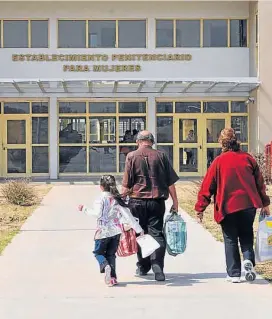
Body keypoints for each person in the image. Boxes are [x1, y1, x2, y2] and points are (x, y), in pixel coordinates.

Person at [195, 128, 270, 283]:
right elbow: (260, 184)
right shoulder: (248, 159)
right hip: (248, 204)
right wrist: (265, 203)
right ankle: (248, 260)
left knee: (230, 239)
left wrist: (200, 208)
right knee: (246, 234)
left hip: (227, 206)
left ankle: (234, 273)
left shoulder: (218, 162)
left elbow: (207, 186)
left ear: (221, 143)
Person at [122, 130, 179, 281]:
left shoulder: (131, 156)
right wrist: (175, 202)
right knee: (157, 233)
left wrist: (120, 203)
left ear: (138, 142)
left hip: (137, 202)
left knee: (140, 233)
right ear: (152, 141)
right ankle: (157, 265)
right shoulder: (161, 156)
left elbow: (126, 184)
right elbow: (170, 182)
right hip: (156, 201)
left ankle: (143, 266)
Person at [78, 175, 143, 287]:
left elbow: (97, 214)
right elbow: (128, 215)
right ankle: (113, 278)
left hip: (103, 232)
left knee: (98, 253)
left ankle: (105, 265)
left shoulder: (100, 199)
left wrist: (84, 209)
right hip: (116, 232)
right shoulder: (117, 199)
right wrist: (139, 229)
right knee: (111, 254)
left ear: (101, 187)